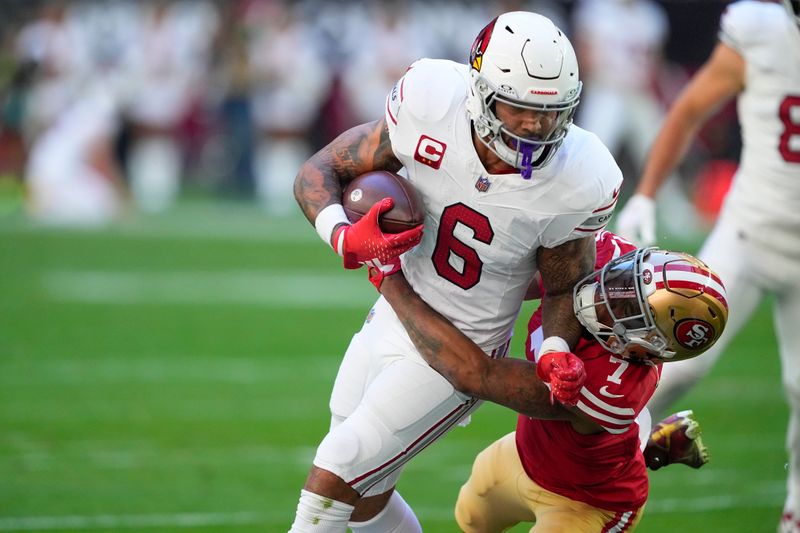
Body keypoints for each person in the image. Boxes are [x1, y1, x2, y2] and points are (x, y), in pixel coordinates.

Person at [290, 11, 622, 532]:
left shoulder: (581, 175)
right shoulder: (429, 100)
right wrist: (343, 234)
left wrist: (555, 348)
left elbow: (564, 284)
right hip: (393, 315)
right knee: (364, 496)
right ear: (481, 91)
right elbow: (321, 170)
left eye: (552, 112)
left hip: (462, 345)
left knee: (339, 468)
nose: (537, 126)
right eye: (520, 109)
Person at [372, 231, 728, 532]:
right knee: (470, 518)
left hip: (586, 502)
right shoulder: (612, 254)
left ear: (648, 346)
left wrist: (392, 280)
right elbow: (525, 279)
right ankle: (653, 443)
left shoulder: (614, 387)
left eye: (627, 308)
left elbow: (477, 374)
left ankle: (644, 448)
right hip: (525, 453)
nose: (608, 292)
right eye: (625, 281)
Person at [614, 2, 800, 530]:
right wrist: (646, 194)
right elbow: (691, 107)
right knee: (679, 361)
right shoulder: (761, 32)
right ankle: (575, 458)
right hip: (749, 231)